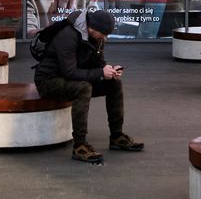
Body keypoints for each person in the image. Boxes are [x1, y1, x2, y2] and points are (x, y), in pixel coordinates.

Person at [34, 9, 143, 164]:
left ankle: (117, 136)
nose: (105, 38)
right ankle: (80, 145)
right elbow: (69, 72)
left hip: (72, 77)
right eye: (103, 34)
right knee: (83, 88)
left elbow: (98, 64)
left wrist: (110, 70)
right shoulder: (68, 35)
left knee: (114, 83)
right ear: (92, 28)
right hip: (49, 81)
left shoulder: (96, 38)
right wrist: (100, 72)